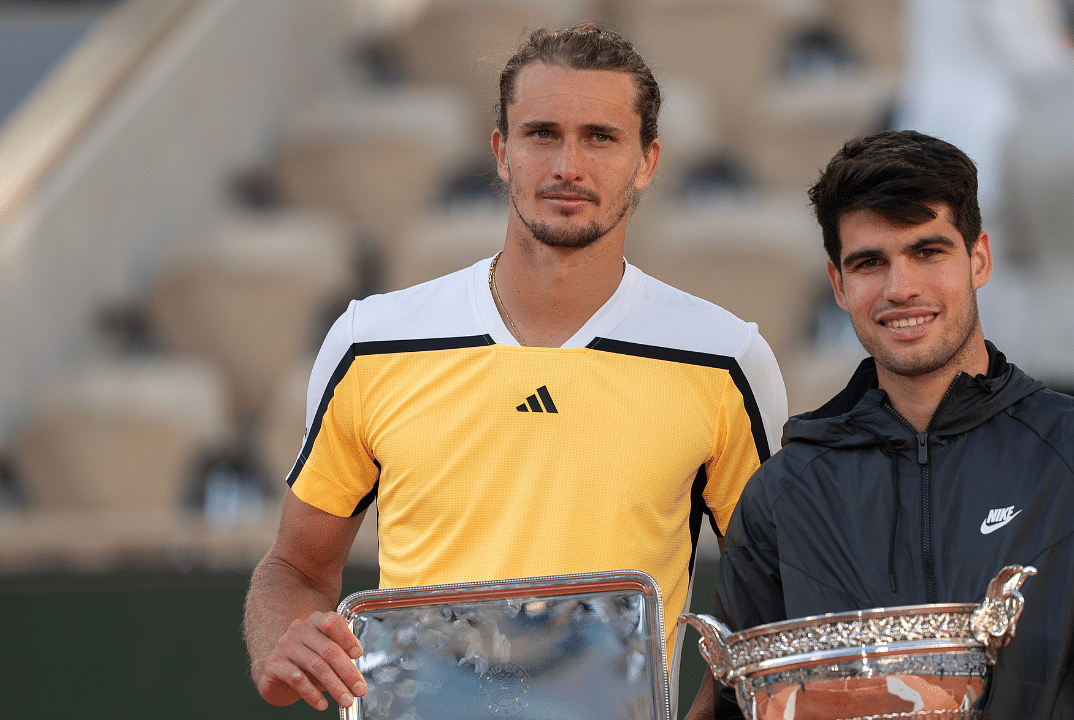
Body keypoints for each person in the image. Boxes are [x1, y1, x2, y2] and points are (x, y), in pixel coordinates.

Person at [242, 23, 788, 715]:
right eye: (542, 134)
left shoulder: (724, 359)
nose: (568, 165)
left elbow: (771, 596)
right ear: (501, 152)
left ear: (648, 161)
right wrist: (281, 642)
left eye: (601, 137)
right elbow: (294, 566)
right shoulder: (370, 342)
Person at [712, 130, 1074, 720]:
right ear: (838, 285)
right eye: (870, 262)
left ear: (979, 258)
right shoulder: (781, 496)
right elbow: (742, 704)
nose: (901, 289)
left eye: (928, 252)